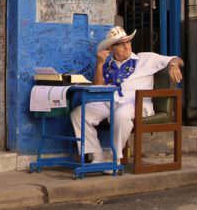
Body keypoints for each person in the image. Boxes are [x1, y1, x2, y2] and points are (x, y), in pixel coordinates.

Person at [70, 26, 184, 167]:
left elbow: (177, 59)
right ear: (111, 49)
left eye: (128, 42)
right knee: (79, 114)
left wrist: (173, 65)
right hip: (110, 101)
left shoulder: (145, 58)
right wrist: (100, 64)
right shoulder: (108, 65)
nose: (126, 46)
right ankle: (97, 157)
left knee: (120, 115)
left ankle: (114, 160)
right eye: (120, 44)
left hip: (137, 103)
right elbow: (98, 87)